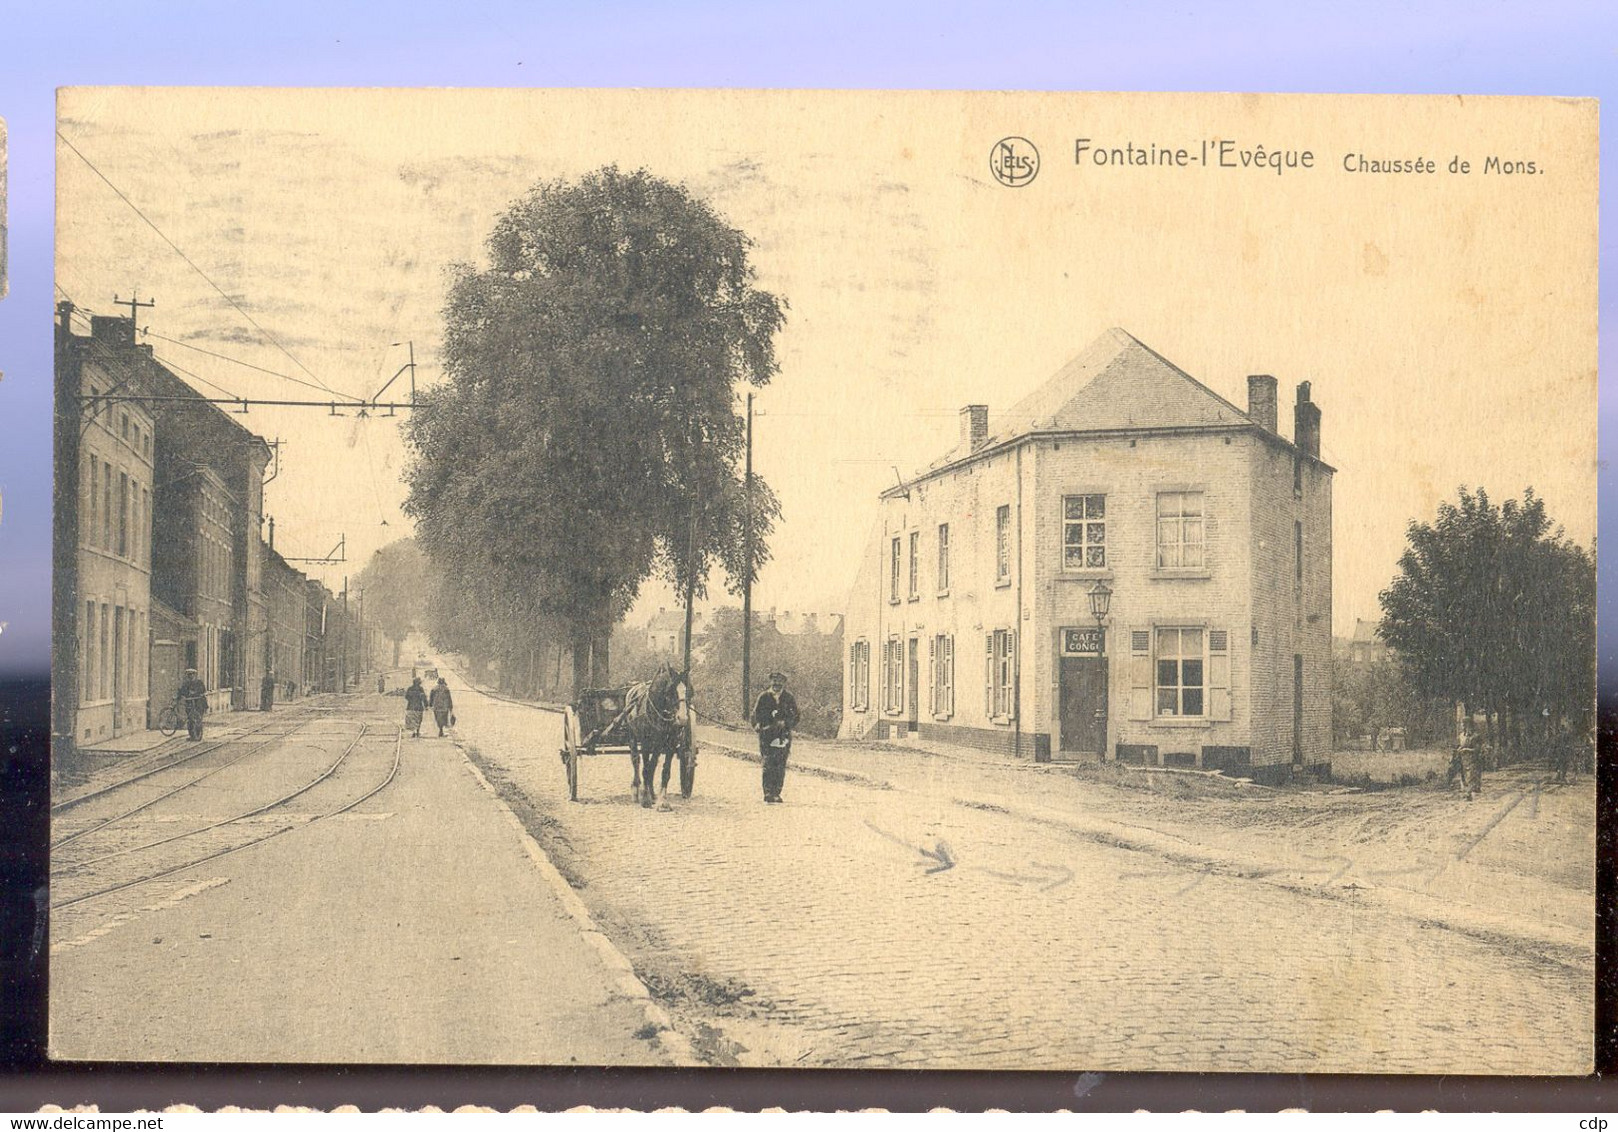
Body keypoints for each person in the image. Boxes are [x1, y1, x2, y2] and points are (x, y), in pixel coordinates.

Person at [752, 671, 799, 804]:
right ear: (770, 682)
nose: (777, 684)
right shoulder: (764, 697)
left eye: (779, 682)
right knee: (768, 763)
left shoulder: (788, 697)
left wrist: (786, 723)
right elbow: (755, 714)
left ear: (784, 683)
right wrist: (757, 725)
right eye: (774, 681)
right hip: (767, 735)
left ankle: (776, 792)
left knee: (780, 764)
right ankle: (767, 792)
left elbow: (796, 715)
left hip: (783, 735)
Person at [177, 667, 209, 741]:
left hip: (199, 704)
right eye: (189, 675)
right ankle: (192, 736)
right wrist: (179, 696)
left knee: (198, 719)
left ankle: (198, 735)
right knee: (190, 720)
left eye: (191, 674)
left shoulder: (199, 682)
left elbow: (203, 690)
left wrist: (196, 693)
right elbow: (182, 691)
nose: (190, 676)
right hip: (189, 704)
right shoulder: (186, 684)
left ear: (195, 675)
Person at [1455, 719, 1482, 801]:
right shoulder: (1461, 736)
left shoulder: (1475, 736)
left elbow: (1477, 749)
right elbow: (1460, 746)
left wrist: (1466, 750)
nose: (1461, 726)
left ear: (1468, 725)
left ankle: (1468, 794)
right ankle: (1467, 793)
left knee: (1471, 777)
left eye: (1463, 724)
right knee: (1464, 777)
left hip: (1472, 760)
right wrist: (1459, 749)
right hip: (1463, 760)